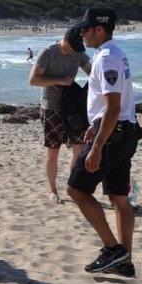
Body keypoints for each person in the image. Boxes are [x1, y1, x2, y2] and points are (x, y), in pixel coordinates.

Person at [66, 8, 139, 277]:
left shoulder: (107, 58)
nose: (82, 34)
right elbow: (111, 107)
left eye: (85, 29)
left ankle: (113, 249)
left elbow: (112, 108)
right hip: (124, 131)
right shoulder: (115, 54)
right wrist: (94, 127)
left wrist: (97, 145)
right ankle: (124, 261)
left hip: (113, 134)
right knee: (119, 197)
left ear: (99, 30)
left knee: (76, 190)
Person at [28, 27, 92, 204]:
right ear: (65, 40)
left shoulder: (78, 52)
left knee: (79, 150)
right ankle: (52, 190)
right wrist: (59, 81)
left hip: (73, 107)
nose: (75, 52)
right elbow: (33, 80)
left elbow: (93, 72)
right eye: (73, 48)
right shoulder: (48, 52)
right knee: (53, 153)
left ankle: (73, 188)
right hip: (51, 105)